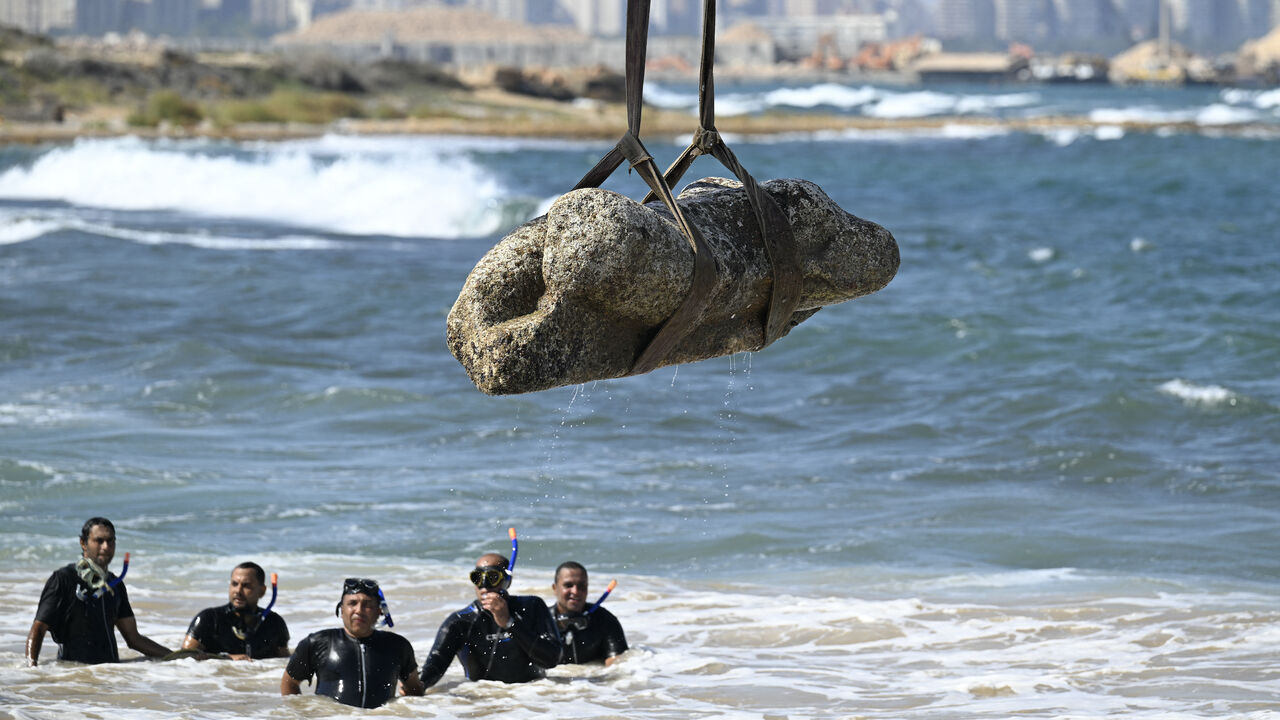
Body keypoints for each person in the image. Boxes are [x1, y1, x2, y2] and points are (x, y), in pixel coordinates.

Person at [25, 517, 172, 665]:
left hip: (109, 675)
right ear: (83, 543)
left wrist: (176, 658)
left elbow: (134, 639)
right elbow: (38, 629)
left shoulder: (115, 585)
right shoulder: (63, 579)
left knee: (154, 662)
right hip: (72, 675)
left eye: (110, 541)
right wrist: (31, 670)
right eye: (99, 541)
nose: (106, 547)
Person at [419, 553, 560, 687]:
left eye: (492, 577)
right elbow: (434, 667)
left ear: (507, 582)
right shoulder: (460, 622)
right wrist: (417, 686)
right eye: (477, 578)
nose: (484, 585)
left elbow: (551, 659)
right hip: (485, 699)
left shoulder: (531, 607)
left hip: (533, 698)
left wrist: (509, 623)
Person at [281, 578, 424, 708]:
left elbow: (414, 689)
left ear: (380, 611)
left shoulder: (397, 646)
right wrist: (299, 714)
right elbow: (289, 683)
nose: (359, 610)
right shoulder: (317, 642)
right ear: (341, 610)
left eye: (367, 605)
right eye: (352, 603)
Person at [182, 562, 289, 660]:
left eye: (246, 586)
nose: (238, 591)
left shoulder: (275, 622)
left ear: (262, 591)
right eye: (234, 584)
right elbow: (184, 658)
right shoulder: (208, 619)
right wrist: (225, 658)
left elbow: (284, 662)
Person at [549, 561, 628, 665]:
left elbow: (618, 663)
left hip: (592, 680)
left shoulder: (605, 620)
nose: (576, 591)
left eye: (582, 586)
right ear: (555, 588)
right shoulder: (540, 621)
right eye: (568, 585)